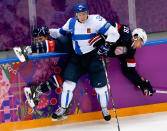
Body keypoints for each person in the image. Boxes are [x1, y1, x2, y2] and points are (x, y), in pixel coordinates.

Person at [49, 3, 120, 121]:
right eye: (80, 14)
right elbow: (58, 32)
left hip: (94, 57)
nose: (82, 16)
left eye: (84, 14)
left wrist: (107, 45)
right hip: (77, 58)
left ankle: (104, 109)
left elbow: (114, 33)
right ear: (76, 15)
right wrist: (47, 31)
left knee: (101, 88)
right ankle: (62, 108)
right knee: (68, 85)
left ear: (87, 13)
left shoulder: (96, 20)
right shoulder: (71, 22)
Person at [13, 26, 74, 108]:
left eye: (40, 39)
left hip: (57, 77)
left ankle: (37, 91)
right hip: (43, 80)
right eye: (36, 40)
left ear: (46, 37)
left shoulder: (56, 45)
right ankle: (35, 91)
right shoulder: (35, 54)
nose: (38, 42)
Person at [96, 21, 155, 96]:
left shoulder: (130, 52)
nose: (140, 46)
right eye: (141, 42)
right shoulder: (125, 31)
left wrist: (142, 84)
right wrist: (106, 43)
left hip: (98, 54)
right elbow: (110, 25)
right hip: (95, 42)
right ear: (136, 37)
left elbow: (129, 71)